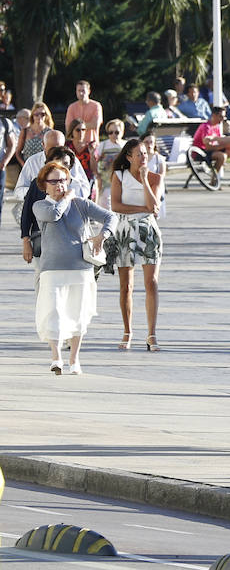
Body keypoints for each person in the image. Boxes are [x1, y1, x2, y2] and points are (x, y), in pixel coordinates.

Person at [31, 162, 116, 375]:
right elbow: (54, 215)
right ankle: (56, 356)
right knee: (54, 311)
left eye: (63, 180)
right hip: (51, 268)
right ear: (44, 185)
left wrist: (102, 236)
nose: (60, 185)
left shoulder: (80, 204)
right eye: (54, 181)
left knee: (78, 312)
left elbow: (110, 217)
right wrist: (67, 199)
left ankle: (74, 359)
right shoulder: (40, 206)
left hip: (80, 267)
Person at [104, 137, 166, 352]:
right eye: (139, 154)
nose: (143, 158)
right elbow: (117, 206)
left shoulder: (156, 177)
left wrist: (144, 179)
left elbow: (153, 205)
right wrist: (142, 210)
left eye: (145, 154)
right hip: (124, 232)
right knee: (126, 286)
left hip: (148, 232)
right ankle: (127, 330)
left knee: (152, 282)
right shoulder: (119, 176)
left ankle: (151, 333)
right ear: (129, 156)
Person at [191, 106, 230, 176]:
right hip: (200, 152)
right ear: (213, 115)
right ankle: (214, 179)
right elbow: (208, 147)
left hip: (211, 151)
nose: (223, 119)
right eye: (221, 117)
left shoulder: (217, 126)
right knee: (222, 156)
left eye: (224, 117)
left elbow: (218, 141)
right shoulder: (206, 127)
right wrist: (225, 145)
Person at [65, 80, 102, 147]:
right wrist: (88, 124)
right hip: (75, 146)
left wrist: (76, 126)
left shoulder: (96, 106)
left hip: (92, 145)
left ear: (89, 91)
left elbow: (95, 124)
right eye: (79, 91)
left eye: (83, 91)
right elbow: (68, 127)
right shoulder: (71, 107)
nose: (81, 93)